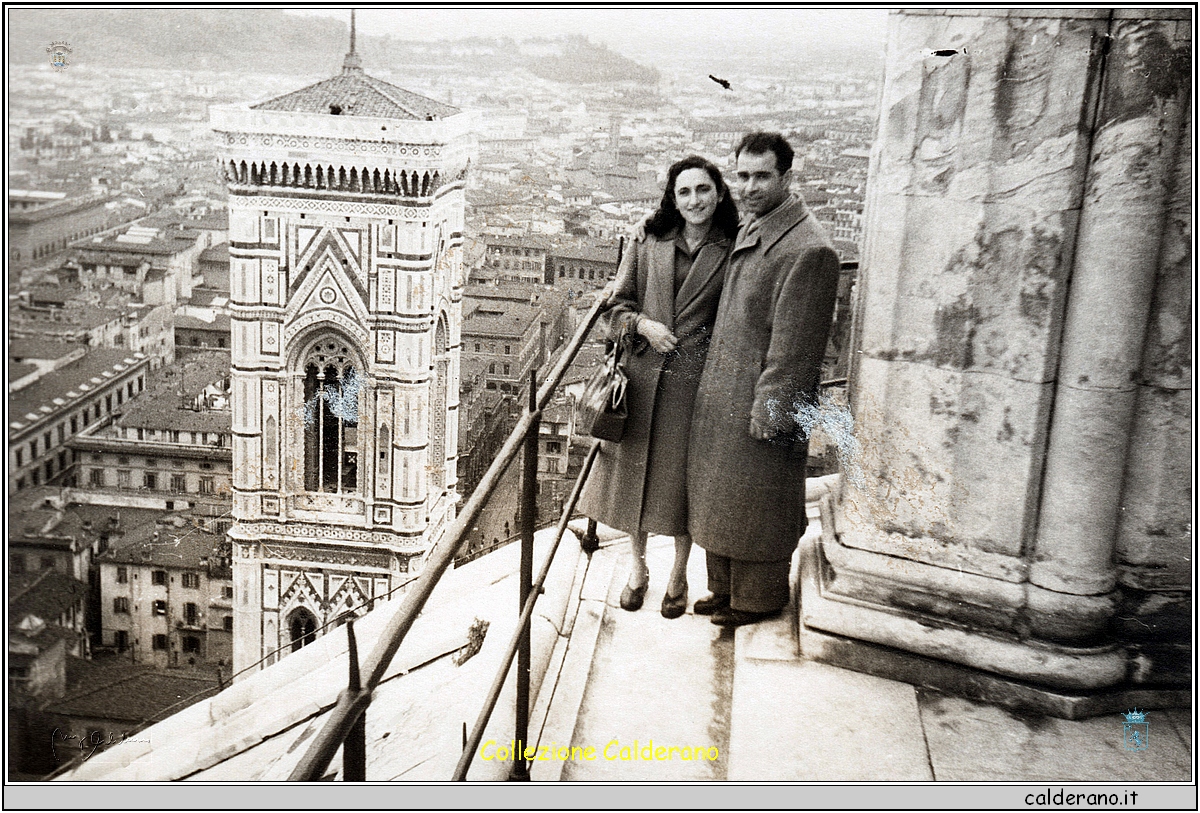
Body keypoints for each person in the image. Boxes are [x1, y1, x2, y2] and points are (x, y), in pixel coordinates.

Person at [687, 132, 840, 627]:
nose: (748, 187)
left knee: (757, 504)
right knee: (725, 499)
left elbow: (796, 352)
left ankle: (757, 599)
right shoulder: (761, 228)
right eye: (743, 176)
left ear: (786, 178)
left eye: (761, 176)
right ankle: (725, 589)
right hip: (728, 393)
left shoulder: (807, 249)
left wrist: (770, 415)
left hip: (761, 401)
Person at [578, 155, 739, 618]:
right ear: (673, 197)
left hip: (696, 388)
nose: (694, 200)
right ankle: (638, 569)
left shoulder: (732, 248)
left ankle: (678, 575)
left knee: (682, 486)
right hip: (643, 383)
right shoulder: (648, 240)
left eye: (703, 190)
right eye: (684, 192)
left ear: (719, 193)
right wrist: (644, 325)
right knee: (636, 484)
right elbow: (616, 309)